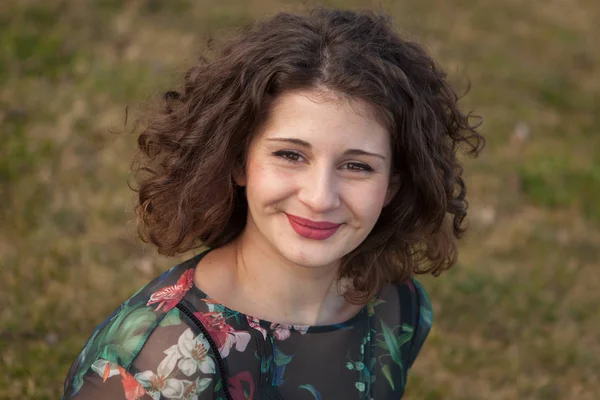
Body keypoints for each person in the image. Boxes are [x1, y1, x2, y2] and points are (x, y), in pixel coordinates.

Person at [62, 7, 483, 400]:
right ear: (238, 162)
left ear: (392, 185)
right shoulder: (161, 364)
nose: (319, 198)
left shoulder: (398, 307)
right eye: (290, 155)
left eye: (356, 166)